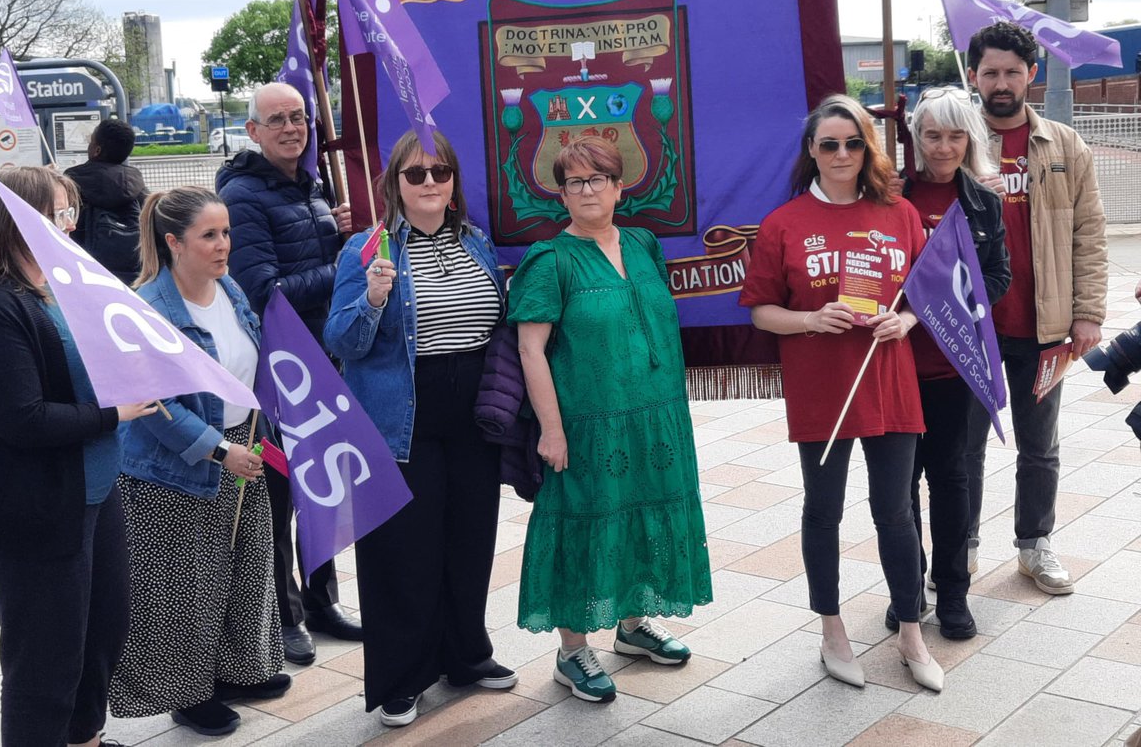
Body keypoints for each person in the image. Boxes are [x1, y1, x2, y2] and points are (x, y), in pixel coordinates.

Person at [0, 166, 156, 747]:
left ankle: (84, 737)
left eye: (69, 211)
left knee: (103, 631)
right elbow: (24, 420)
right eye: (55, 213)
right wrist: (118, 411)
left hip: (92, 488)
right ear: (13, 221)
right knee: (45, 660)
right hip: (26, 503)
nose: (68, 223)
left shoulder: (62, 284)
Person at [741, 95, 943, 692]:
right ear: (811, 150)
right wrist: (809, 320)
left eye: (853, 143)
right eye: (829, 144)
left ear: (867, 149)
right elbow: (759, 312)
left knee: (897, 511)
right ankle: (831, 629)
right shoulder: (784, 223)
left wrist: (905, 322)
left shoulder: (900, 213)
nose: (841, 154)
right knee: (823, 510)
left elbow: (922, 293)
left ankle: (910, 631)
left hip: (889, 383)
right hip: (822, 388)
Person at [510, 134, 712, 704]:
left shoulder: (646, 243)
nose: (587, 189)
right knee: (585, 522)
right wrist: (551, 429)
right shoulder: (549, 260)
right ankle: (572, 649)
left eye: (598, 178)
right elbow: (531, 352)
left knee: (641, 518)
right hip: (587, 425)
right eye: (574, 181)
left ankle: (632, 625)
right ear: (561, 193)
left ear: (620, 187)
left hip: (656, 420)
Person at [325, 130, 515, 727]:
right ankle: (402, 676)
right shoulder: (367, 249)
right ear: (395, 185)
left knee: (468, 539)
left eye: (440, 172)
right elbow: (341, 342)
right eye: (415, 175)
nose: (429, 182)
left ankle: (465, 655)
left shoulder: (477, 242)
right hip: (400, 420)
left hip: (473, 416)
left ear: (454, 182)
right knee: (402, 552)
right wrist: (374, 299)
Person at [108, 187, 287, 736]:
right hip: (177, 469)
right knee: (184, 588)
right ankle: (186, 692)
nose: (223, 245)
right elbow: (156, 408)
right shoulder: (148, 309)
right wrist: (219, 449)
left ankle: (237, 668)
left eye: (226, 232)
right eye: (209, 235)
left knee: (245, 570)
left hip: (242, 446)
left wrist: (251, 441)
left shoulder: (229, 289)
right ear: (173, 243)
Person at [216, 81, 359, 664]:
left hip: (322, 361)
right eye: (277, 120)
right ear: (253, 131)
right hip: (278, 370)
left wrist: (340, 231)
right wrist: (344, 264)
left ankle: (323, 602)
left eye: (299, 117)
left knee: (320, 491)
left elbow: (314, 260)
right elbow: (262, 290)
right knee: (278, 496)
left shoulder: (312, 187)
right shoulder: (245, 197)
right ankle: (285, 614)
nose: (292, 128)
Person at [965, 21, 1108, 595]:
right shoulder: (956, 141)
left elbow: (1089, 233)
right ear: (973, 75)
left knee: (1040, 446)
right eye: (990, 72)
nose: (1001, 82)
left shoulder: (1064, 145)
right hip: (970, 328)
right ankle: (961, 548)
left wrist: (1088, 312)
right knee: (962, 446)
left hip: (1045, 328)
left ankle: (1034, 545)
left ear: (1032, 75)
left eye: (1012, 71)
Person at [886, 87, 1010, 641]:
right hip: (895, 366)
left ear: (970, 139)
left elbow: (1000, 277)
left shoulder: (983, 203)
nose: (942, 146)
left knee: (952, 479)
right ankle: (907, 591)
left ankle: (953, 591)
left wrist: (957, 300)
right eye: (932, 134)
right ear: (916, 137)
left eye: (955, 135)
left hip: (955, 367)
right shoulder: (891, 200)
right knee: (899, 484)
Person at [66, 117, 148, 283]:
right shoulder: (137, 185)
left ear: (96, 150)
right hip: (133, 276)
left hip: (84, 273)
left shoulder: (72, 181)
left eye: (91, 141)